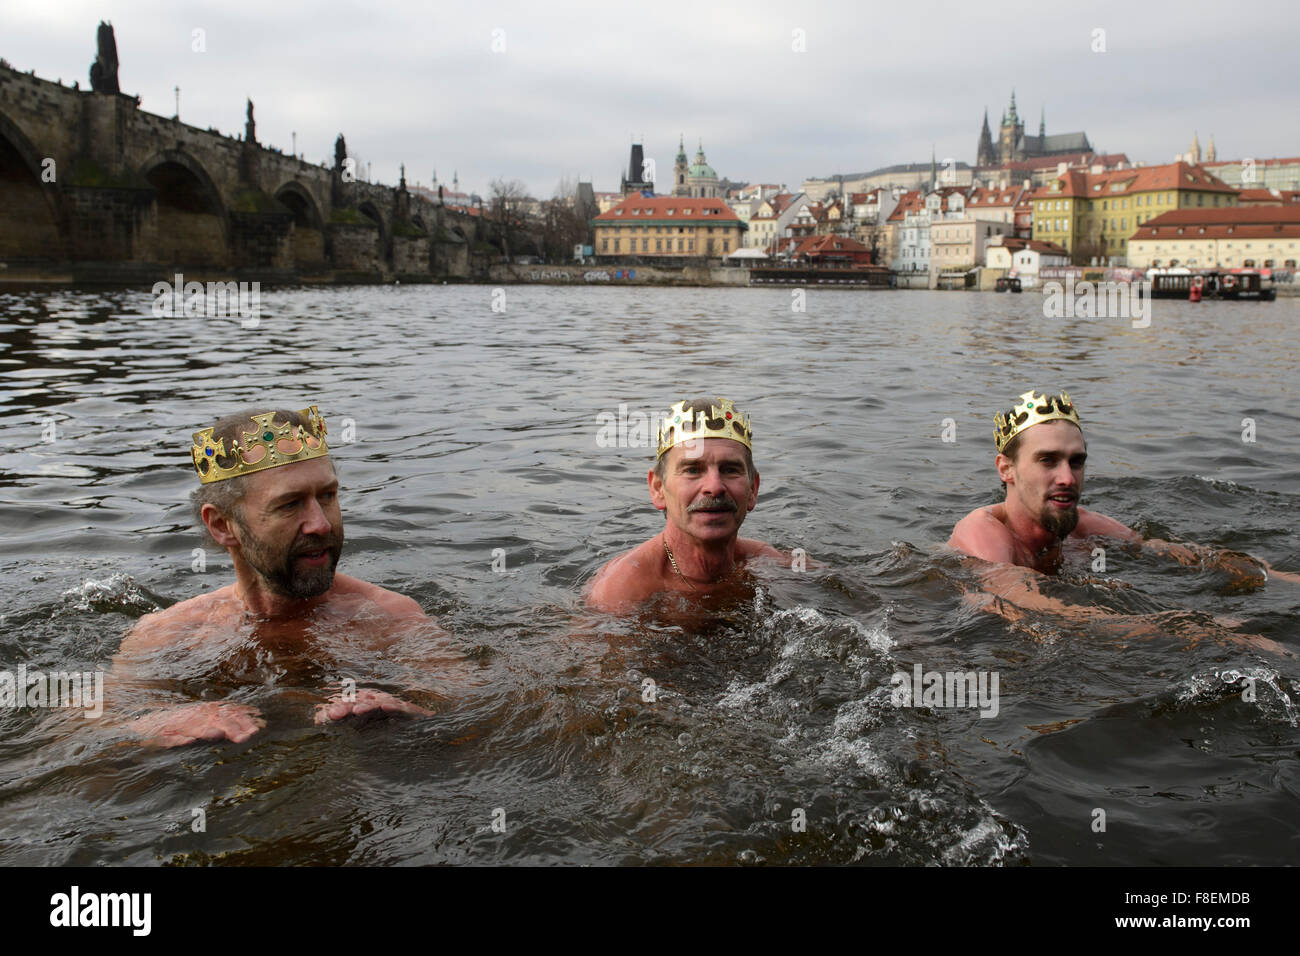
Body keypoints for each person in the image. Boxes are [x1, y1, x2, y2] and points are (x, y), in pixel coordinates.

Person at [114, 405, 445, 747]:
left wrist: (412, 716)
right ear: (222, 525)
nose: (321, 523)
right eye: (290, 504)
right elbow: (87, 737)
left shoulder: (391, 618)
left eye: (328, 496)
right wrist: (153, 727)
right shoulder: (167, 635)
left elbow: (475, 714)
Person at [947, 389, 1298, 647]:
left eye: (1077, 461)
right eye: (1048, 461)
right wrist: (1198, 629)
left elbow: (1179, 554)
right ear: (1006, 469)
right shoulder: (983, 532)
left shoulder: (1081, 527)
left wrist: (1279, 577)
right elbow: (1023, 601)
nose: (1068, 477)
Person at [586, 397, 784, 612]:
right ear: (658, 489)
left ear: (753, 489)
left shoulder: (766, 563)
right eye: (692, 470)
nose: (714, 487)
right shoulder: (623, 592)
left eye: (729, 469)